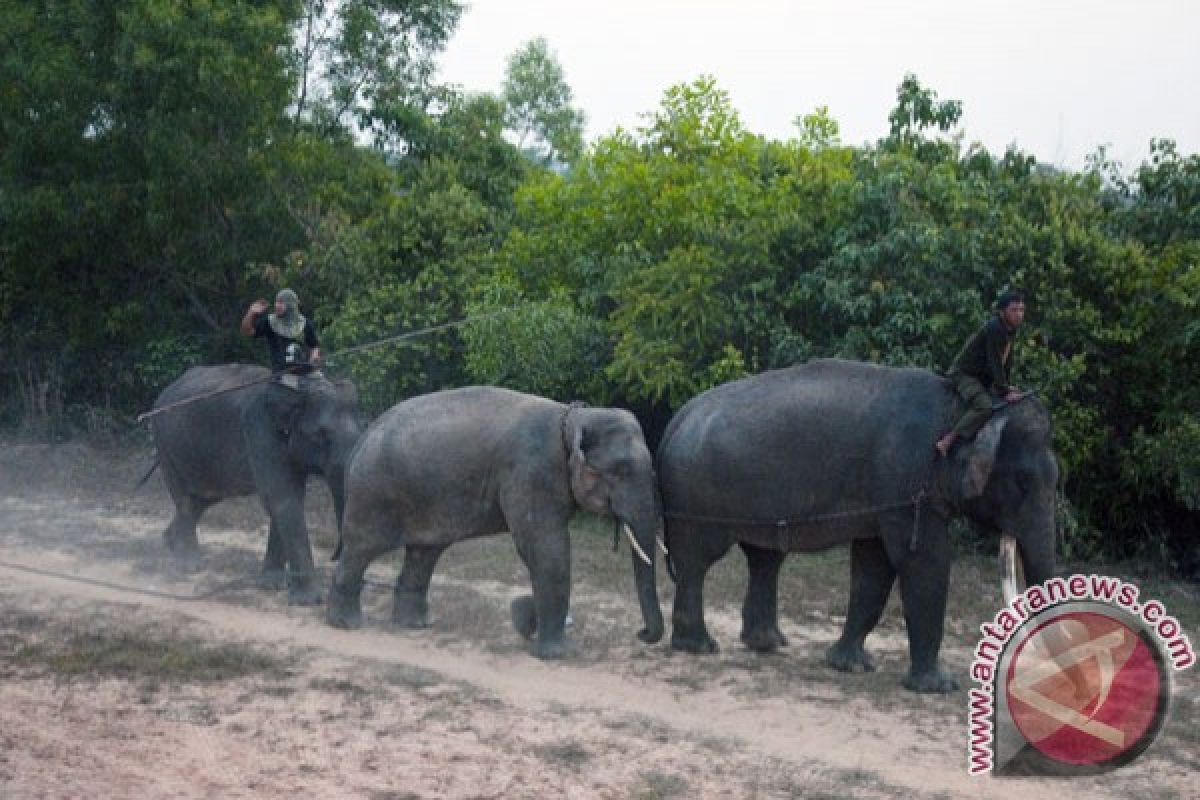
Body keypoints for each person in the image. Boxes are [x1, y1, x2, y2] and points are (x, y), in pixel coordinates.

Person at [935, 290, 1026, 457]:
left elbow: (1006, 361)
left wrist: (1006, 386)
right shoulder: (995, 328)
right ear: (1002, 311)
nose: (1019, 314)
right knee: (984, 406)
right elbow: (994, 362)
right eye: (1014, 310)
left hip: (982, 377)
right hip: (964, 375)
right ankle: (948, 440)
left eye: (1021, 310)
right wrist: (1005, 391)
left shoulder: (1009, 331)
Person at [240, 288, 321, 373]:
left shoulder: (305, 323)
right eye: (276, 302)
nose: (277, 305)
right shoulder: (270, 322)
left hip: (305, 373)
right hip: (280, 375)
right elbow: (246, 331)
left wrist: (314, 357)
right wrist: (251, 312)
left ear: (291, 305)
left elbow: (314, 345)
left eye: (281, 302)